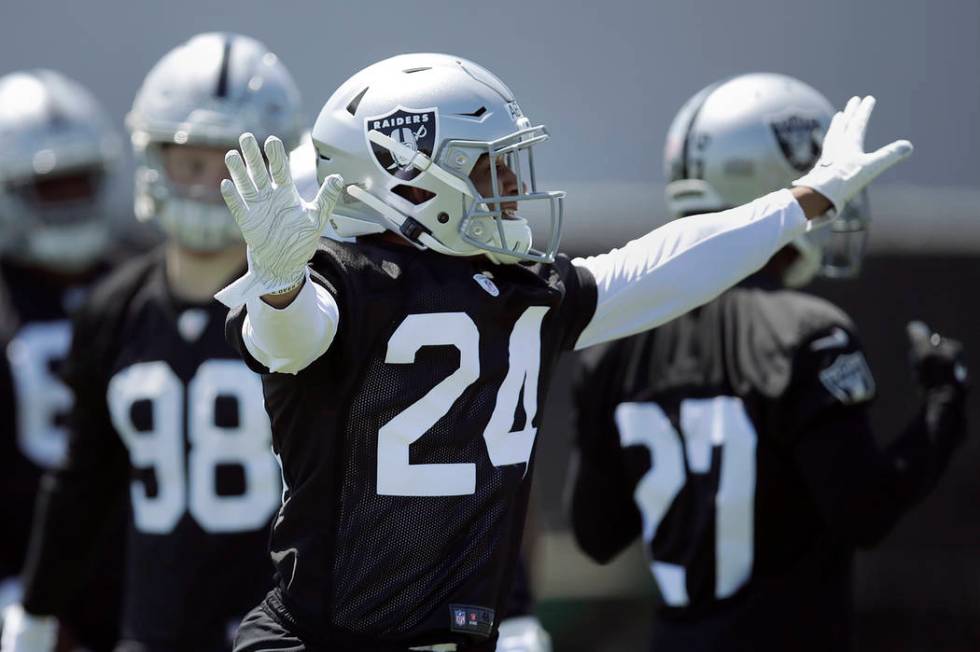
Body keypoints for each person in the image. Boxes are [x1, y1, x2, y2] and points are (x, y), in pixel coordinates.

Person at [214, 54, 912, 651]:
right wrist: (278, 288)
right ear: (407, 178)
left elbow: (663, 267)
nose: (515, 187)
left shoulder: (521, 293)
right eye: (490, 168)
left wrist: (805, 198)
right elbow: (290, 341)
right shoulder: (344, 282)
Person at [567, 73, 968, 652]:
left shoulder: (610, 345)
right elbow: (865, 511)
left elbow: (597, 535)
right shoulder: (806, 331)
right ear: (776, 181)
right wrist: (943, 410)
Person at [1, 32, 306, 652]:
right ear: (151, 157)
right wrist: (36, 606)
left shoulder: (313, 304)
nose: (212, 186)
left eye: (235, 162)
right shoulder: (113, 306)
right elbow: (82, 480)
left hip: (282, 627)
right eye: (192, 162)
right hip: (151, 624)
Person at [0, 69, 128, 650]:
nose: (72, 202)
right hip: (21, 573)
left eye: (81, 182)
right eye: (51, 188)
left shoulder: (140, 275)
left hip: (136, 578)